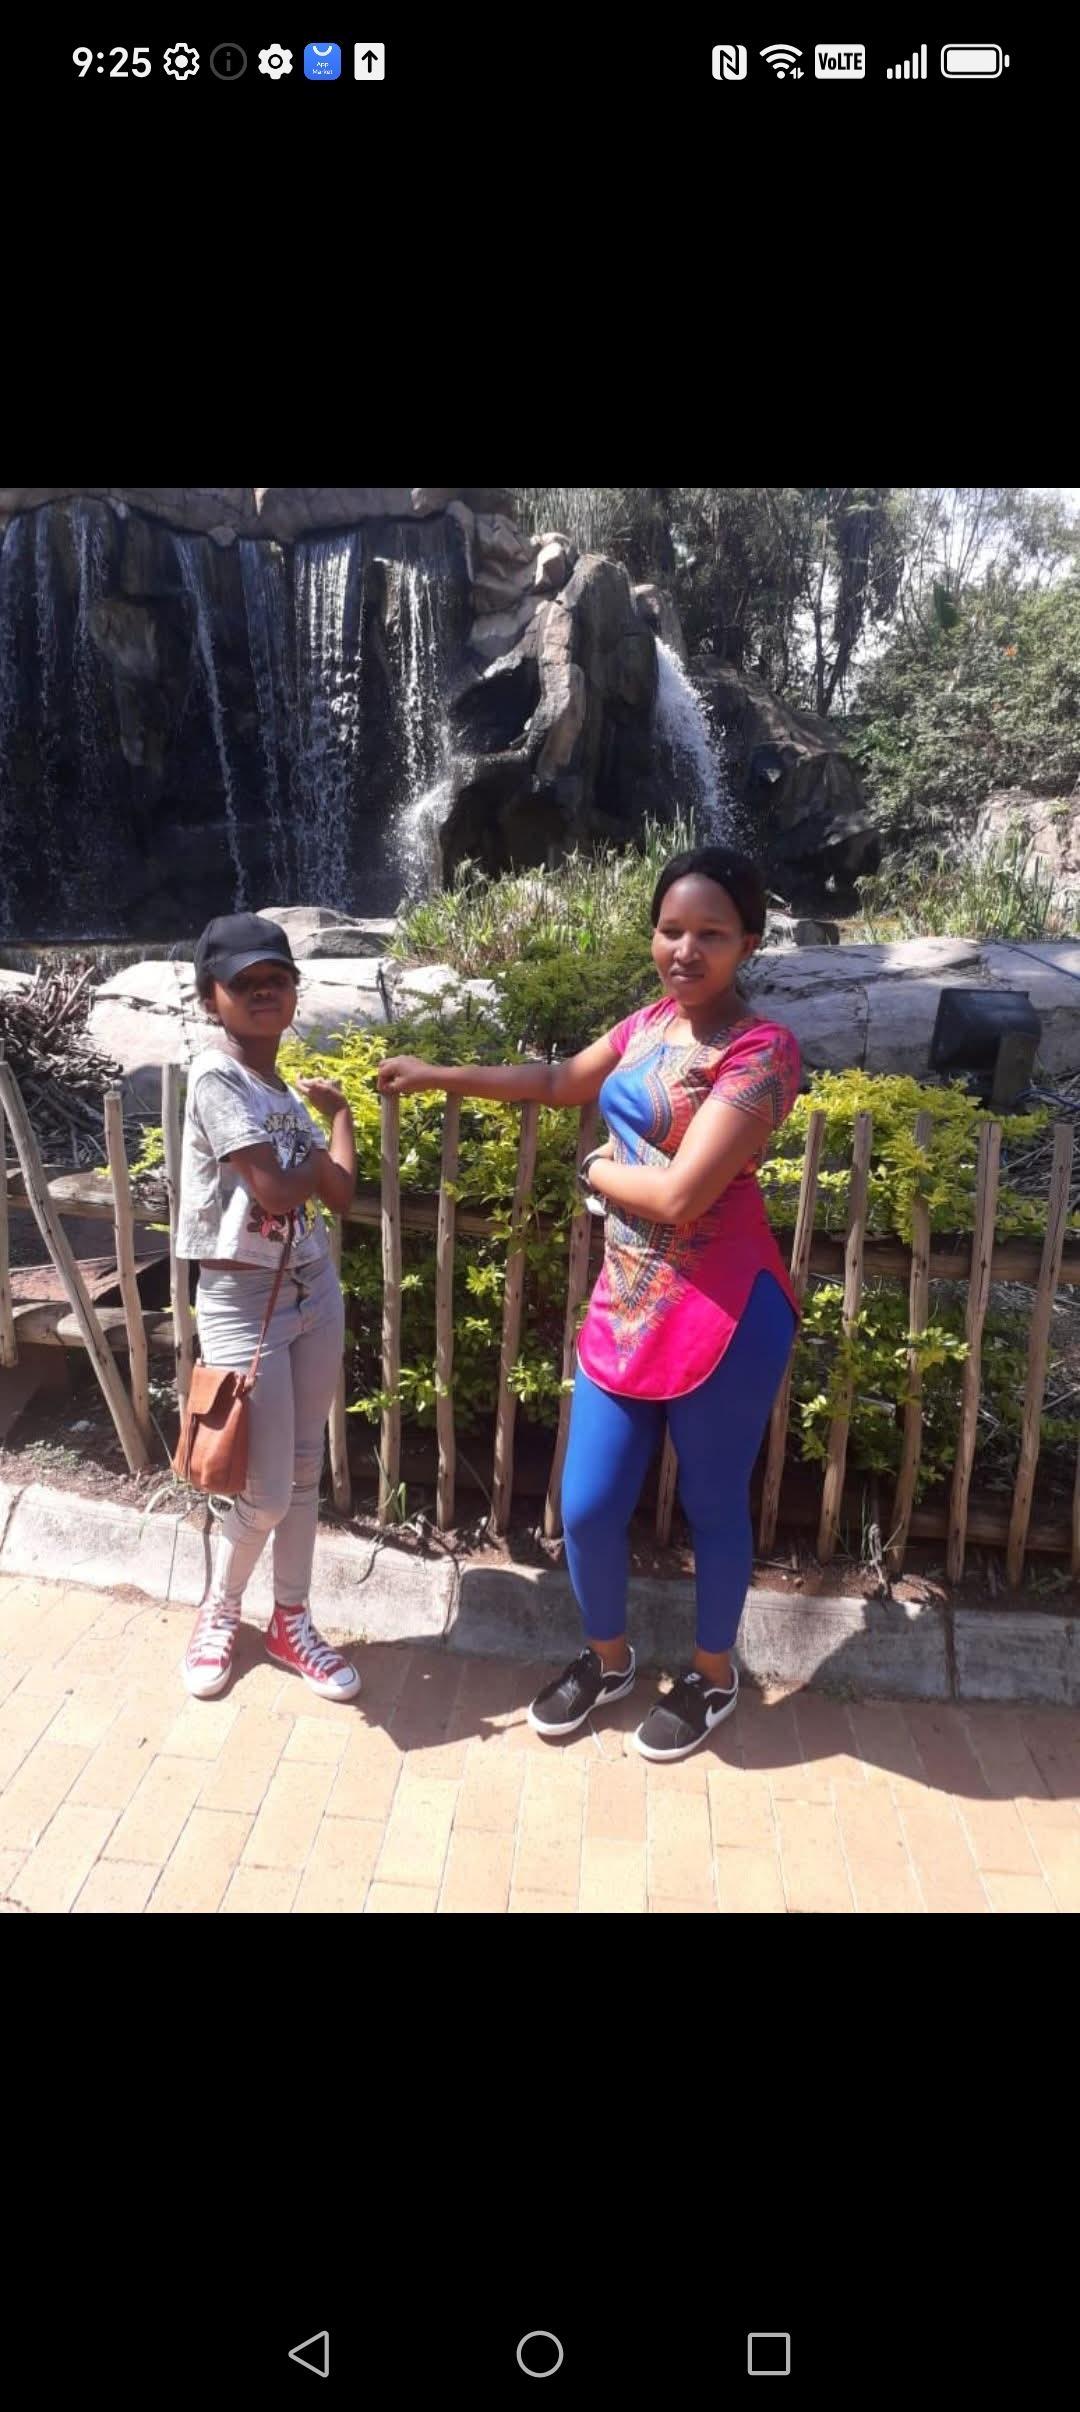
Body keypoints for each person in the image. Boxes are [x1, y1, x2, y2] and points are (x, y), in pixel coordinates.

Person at [378, 846, 802, 1762]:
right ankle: (609, 1660)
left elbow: (683, 1196)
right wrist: (439, 1072)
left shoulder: (763, 1051)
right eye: (671, 929)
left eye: (711, 934)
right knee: (588, 1505)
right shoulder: (648, 1025)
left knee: (714, 1505)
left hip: (725, 1309)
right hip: (628, 1304)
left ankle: (714, 1674)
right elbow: (559, 1081)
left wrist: (595, 1171)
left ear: (749, 943)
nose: (686, 949)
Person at [177, 912, 361, 1704]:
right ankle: (220, 1609)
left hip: (312, 1286)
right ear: (210, 998)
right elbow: (281, 1190)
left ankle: (291, 1619)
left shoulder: (283, 1093)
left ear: (293, 992)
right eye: (243, 983)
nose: (262, 992)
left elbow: (339, 1195)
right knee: (267, 1490)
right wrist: (313, 1159)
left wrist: (339, 1117)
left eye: (276, 980)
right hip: (242, 1300)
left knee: (303, 1467)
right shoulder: (215, 1076)